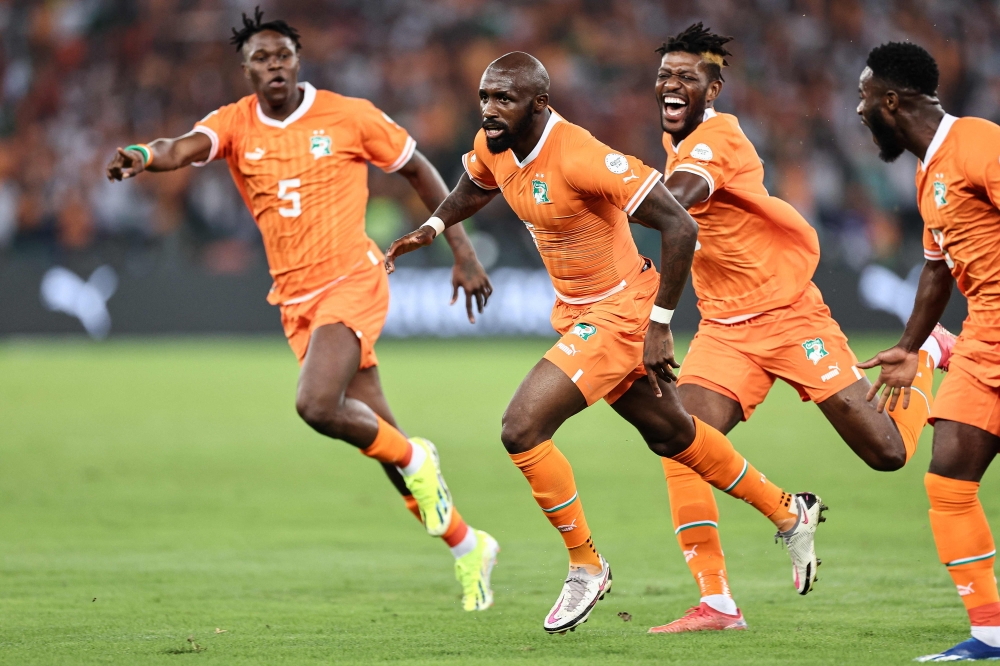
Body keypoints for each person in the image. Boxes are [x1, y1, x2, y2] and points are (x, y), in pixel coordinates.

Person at [384, 51, 824, 635]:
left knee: (521, 427)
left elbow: (680, 223)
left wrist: (661, 322)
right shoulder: (493, 140)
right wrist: (435, 228)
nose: (490, 109)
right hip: (578, 311)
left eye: (504, 99)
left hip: (623, 309)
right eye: (486, 96)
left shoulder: (584, 156)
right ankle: (789, 511)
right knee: (675, 436)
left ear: (540, 104)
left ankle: (586, 565)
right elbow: (475, 182)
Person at [104, 9, 499, 612]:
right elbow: (178, 147)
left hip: (352, 278)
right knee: (378, 435)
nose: (275, 66)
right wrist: (139, 154)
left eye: (283, 55)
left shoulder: (349, 115)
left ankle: (420, 454)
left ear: (297, 60)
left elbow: (418, 167)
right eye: (262, 59)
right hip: (295, 300)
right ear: (246, 71)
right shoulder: (234, 124)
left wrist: (462, 251)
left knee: (316, 404)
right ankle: (469, 546)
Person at [646, 23, 954, 634]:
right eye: (664, 75)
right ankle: (720, 600)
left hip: (789, 317)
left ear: (714, 88)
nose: (671, 85)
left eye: (687, 76)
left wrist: (604, 189)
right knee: (679, 438)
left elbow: (675, 200)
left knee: (887, 453)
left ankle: (932, 353)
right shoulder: (674, 139)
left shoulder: (720, 137)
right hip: (725, 328)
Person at [858, 41, 1000, 662]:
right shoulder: (926, 171)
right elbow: (936, 270)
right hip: (984, 340)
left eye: (864, 99)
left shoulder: (977, 142)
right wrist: (910, 346)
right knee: (949, 479)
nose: (858, 112)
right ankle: (991, 634)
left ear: (892, 100)